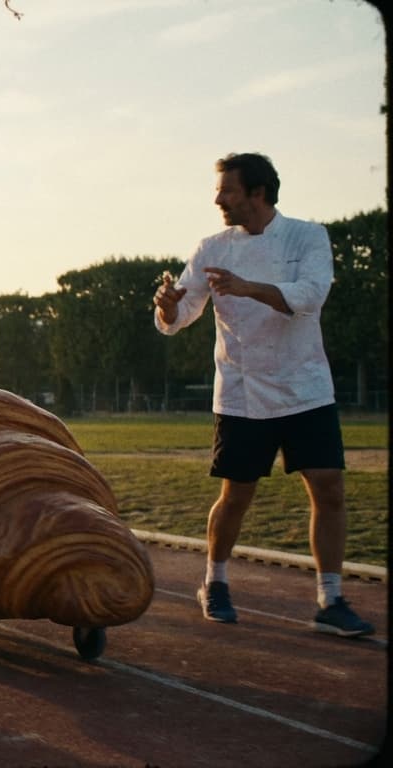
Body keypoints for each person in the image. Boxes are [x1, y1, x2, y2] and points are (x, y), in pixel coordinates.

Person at [153, 152, 373, 637]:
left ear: (258, 192)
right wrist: (168, 307)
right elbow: (179, 316)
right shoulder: (211, 247)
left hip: (305, 387)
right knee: (236, 495)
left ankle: (330, 599)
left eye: (227, 190)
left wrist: (249, 287)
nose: (218, 199)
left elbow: (311, 295)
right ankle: (215, 582)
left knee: (329, 488)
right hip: (243, 391)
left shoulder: (308, 237)